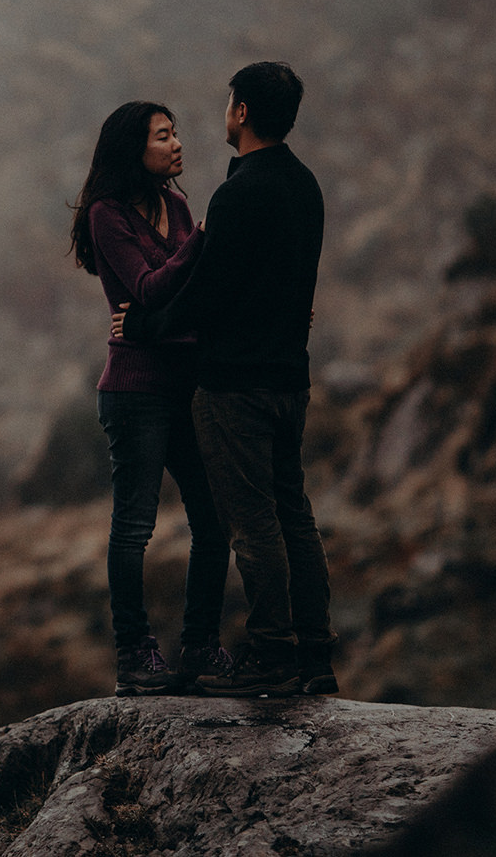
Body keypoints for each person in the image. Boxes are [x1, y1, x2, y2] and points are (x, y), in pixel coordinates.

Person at [120, 62, 337, 698]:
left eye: (228, 102)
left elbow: (208, 294)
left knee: (254, 524)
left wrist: (145, 324)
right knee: (295, 516)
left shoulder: (238, 195)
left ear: (241, 112)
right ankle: (315, 655)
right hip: (289, 381)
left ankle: (271, 654)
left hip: (234, 386)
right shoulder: (306, 187)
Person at [69, 100, 232, 696]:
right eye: (163, 136)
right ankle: (135, 656)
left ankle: (200, 649)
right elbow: (151, 288)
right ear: (132, 150)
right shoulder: (108, 216)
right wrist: (203, 242)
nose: (177, 144)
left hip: (185, 384)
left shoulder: (178, 205)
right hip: (136, 391)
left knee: (214, 521)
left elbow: (190, 293)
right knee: (134, 527)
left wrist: (147, 319)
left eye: (176, 133)